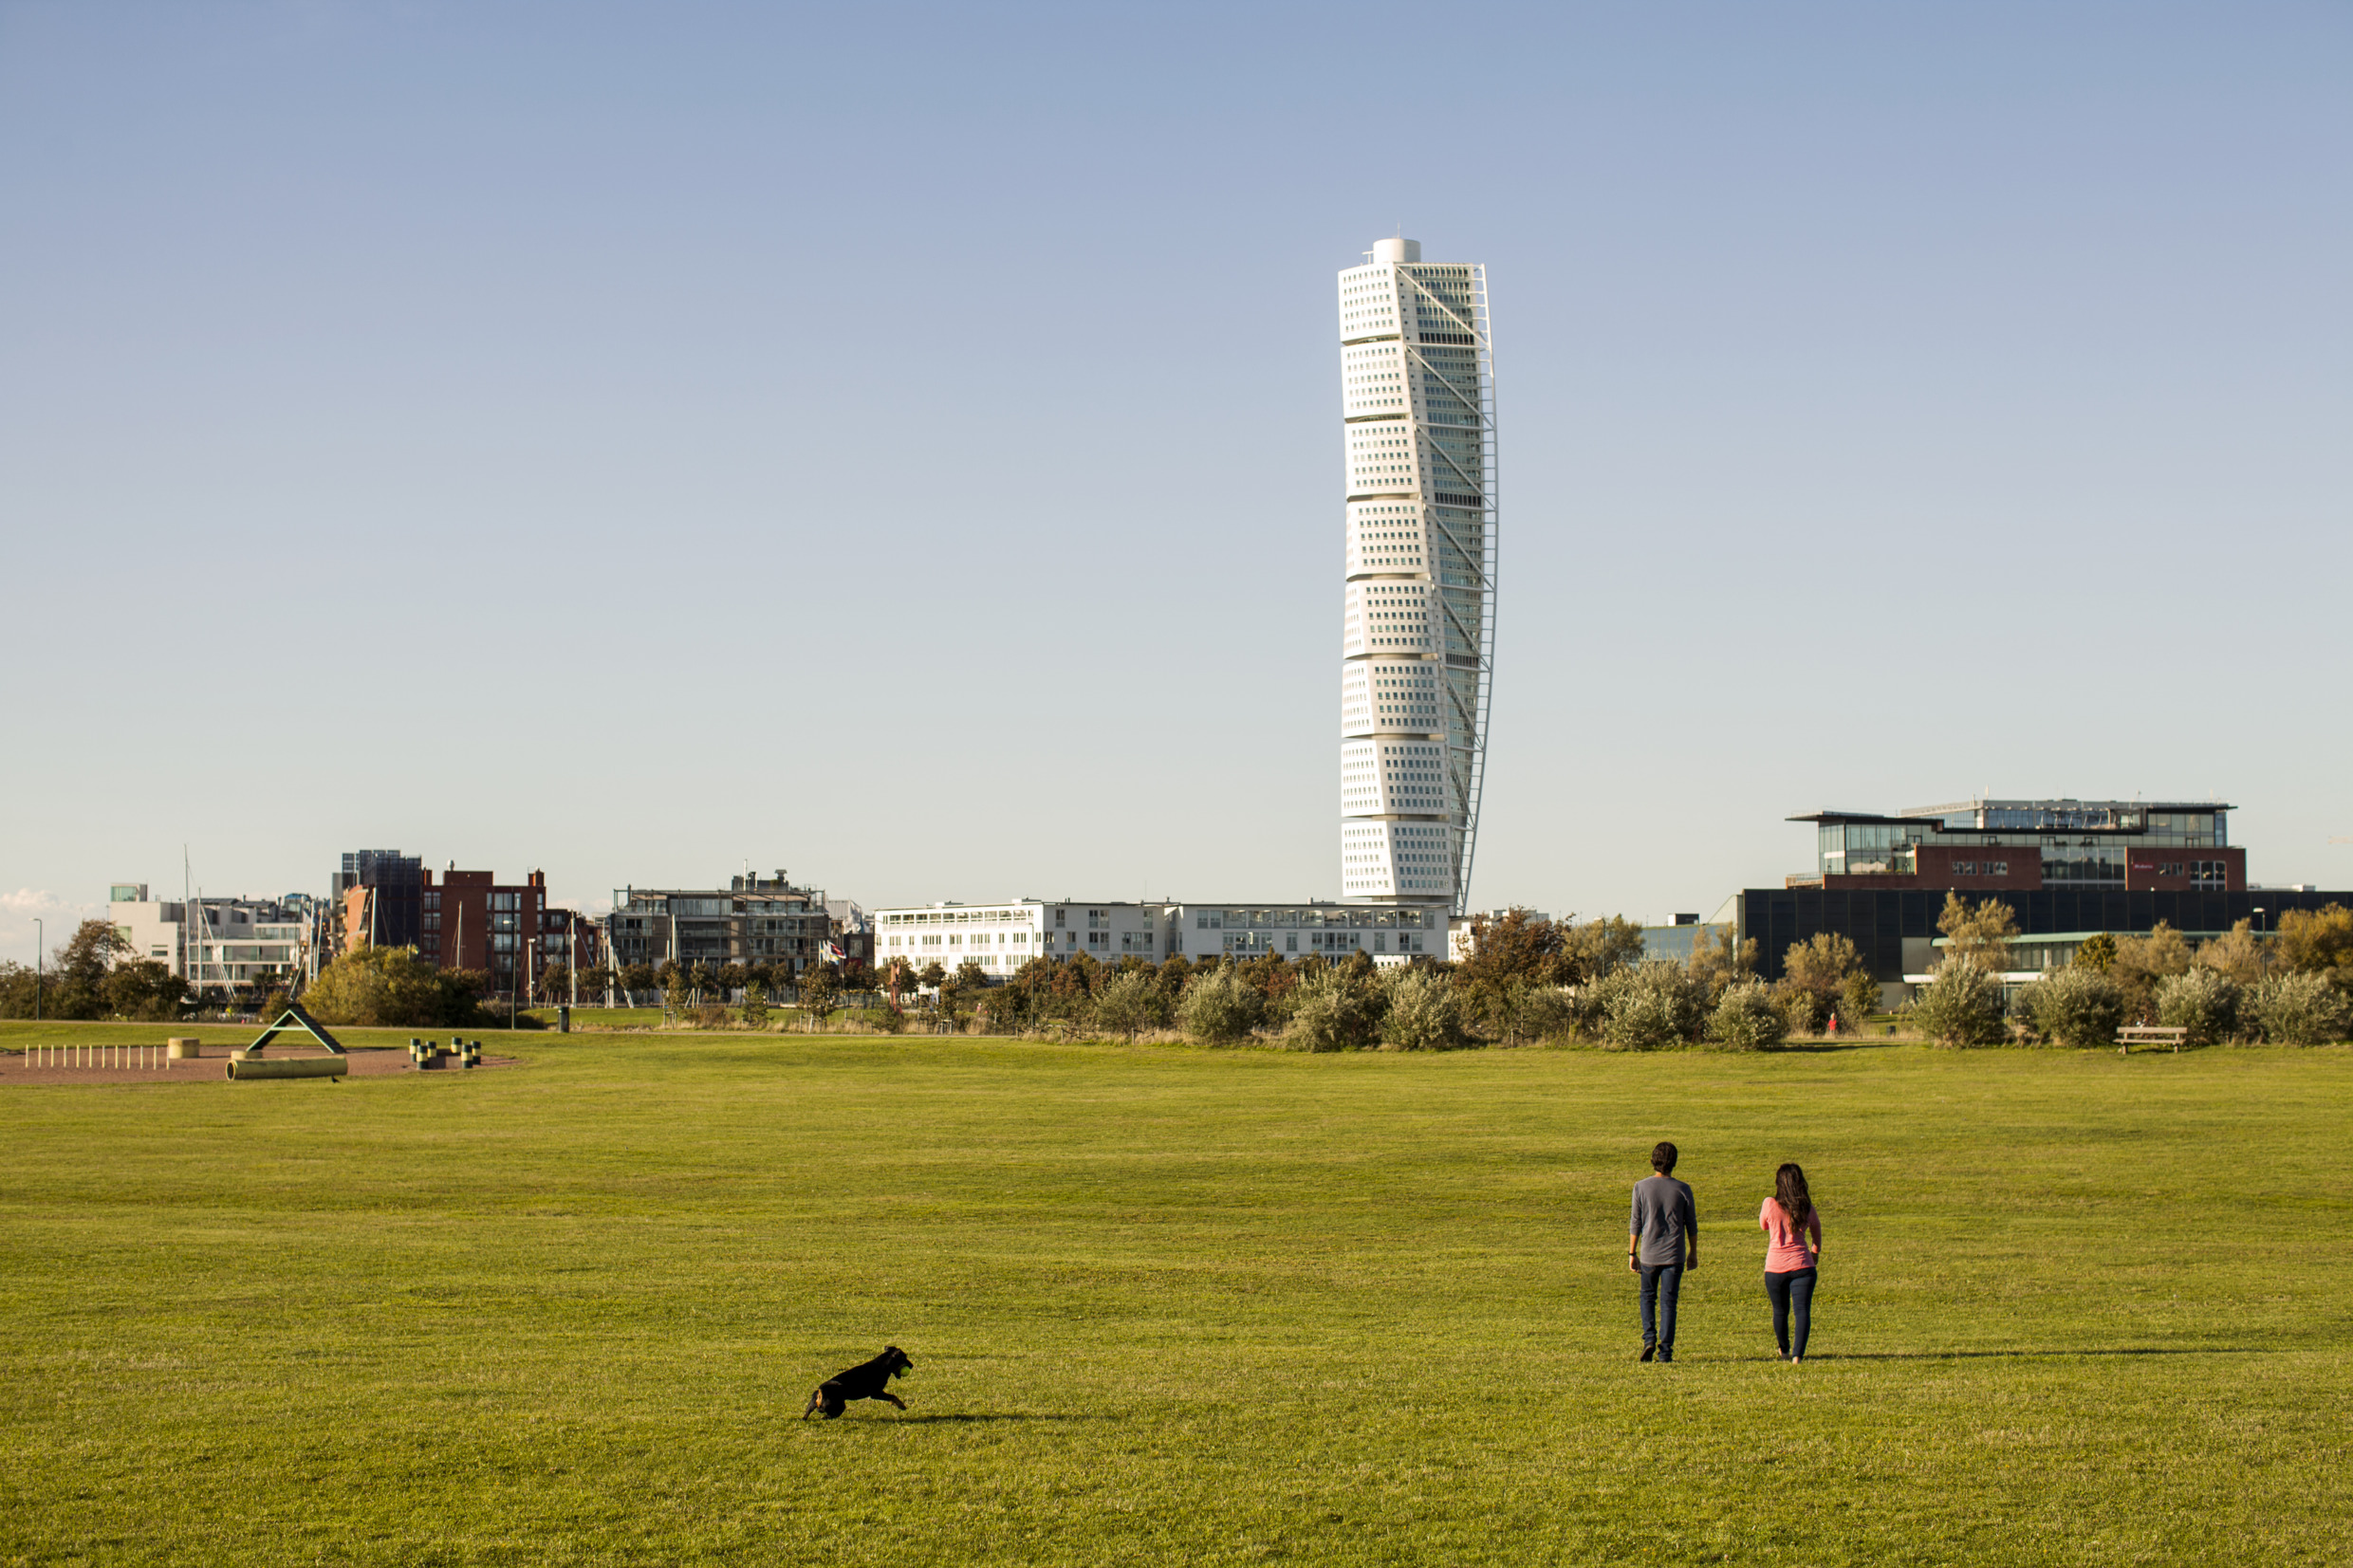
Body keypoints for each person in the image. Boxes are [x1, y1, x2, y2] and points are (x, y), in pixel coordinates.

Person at [1629, 1141, 1698, 1363]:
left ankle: (1649, 1338)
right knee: (1669, 1302)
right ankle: (1666, 1351)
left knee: (1647, 1297)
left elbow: (1636, 1222)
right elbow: (1691, 1224)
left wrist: (1632, 1253)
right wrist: (1693, 1252)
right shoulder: (1682, 1188)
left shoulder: (1640, 1187)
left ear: (1653, 1161)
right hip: (1674, 1255)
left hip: (1649, 1254)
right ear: (1674, 1163)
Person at [1759, 1162, 1823, 1363]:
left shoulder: (1770, 1203)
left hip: (1775, 1268)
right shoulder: (1806, 1207)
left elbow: (1763, 1225)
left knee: (1780, 1311)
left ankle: (1784, 1350)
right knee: (1802, 1310)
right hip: (1803, 1265)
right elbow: (1817, 1230)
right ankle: (1798, 1355)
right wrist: (1815, 1251)